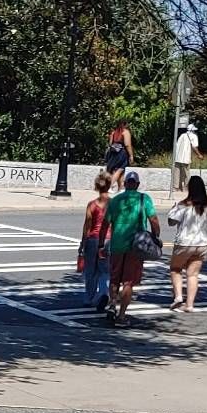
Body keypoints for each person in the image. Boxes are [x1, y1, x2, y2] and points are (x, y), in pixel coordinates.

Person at [104, 168, 160, 326]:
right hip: (136, 246)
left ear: (125, 184)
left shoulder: (116, 200)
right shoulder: (144, 199)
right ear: (137, 184)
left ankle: (112, 303)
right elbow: (153, 219)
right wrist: (156, 235)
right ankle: (121, 316)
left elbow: (105, 224)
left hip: (117, 243)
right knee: (128, 281)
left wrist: (102, 243)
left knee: (114, 278)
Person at [167, 174, 207, 312]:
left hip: (185, 242)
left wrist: (173, 209)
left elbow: (171, 222)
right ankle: (189, 305)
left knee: (176, 269)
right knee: (193, 274)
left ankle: (178, 297)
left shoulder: (183, 204)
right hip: (203, 243)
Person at [76, 169, 113, 311]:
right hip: (108, 240)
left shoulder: (92, 205)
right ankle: (103, 292)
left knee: (90, 270)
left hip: (92, 239)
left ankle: (89, 297)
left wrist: (82, 243)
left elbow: (87, 225)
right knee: (105, 270)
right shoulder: (113, 204)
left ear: (97, 187)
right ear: (109, 186)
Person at [172, 122, 200, 194]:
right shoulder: (194, 136)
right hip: (186, 157)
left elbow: (177, 145)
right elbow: (194, 147)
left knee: (177, 172)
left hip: (178, 157)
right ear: (192, 130)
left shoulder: (182, 135)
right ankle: (186, 187)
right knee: (186, 173)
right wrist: (199, 155)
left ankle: (176, 187)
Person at [103, 122, 132, 191]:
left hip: (113, 152)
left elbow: (110, 143)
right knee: (120, 169)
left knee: (121, 171)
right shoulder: (125, 132)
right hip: (122, 153)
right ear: (125, 125)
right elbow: (127, 144)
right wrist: (131, 155)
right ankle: (109, 187)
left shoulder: (114, 132)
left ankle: (120, 188)